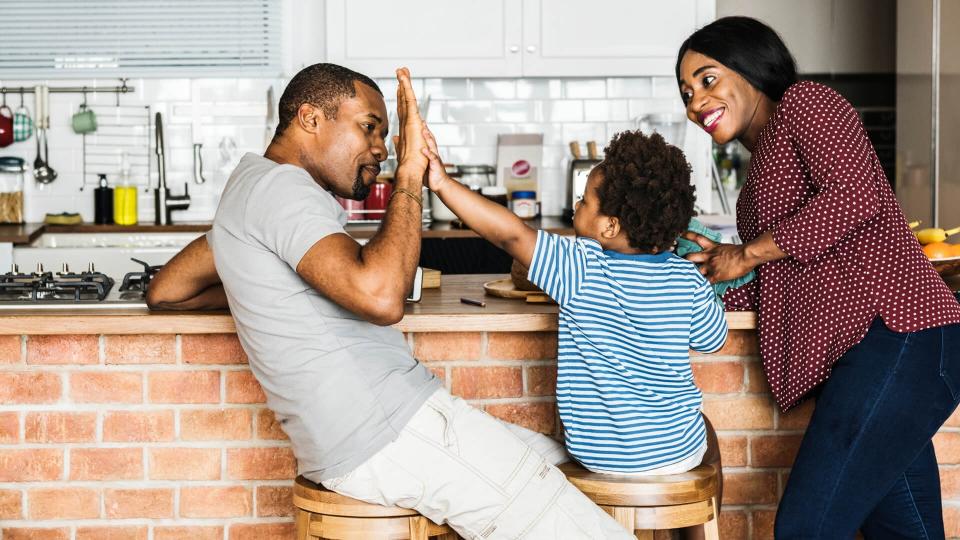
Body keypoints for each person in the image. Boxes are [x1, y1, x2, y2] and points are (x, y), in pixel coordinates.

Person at [146, 63, 633, 539]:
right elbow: (381, 297)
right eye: (369, 128)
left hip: (377, 430)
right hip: (390, 432)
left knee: (564, 464)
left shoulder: (251, 187)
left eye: (384, 135)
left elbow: (166, 291)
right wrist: (409, 174)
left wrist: (267, 292)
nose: (379, 147)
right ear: (310, 119)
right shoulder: (282, 190)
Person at [676, 16, 960, 539]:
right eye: (687, 92)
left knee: (806, 528)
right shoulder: (761, 170)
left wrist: (747, 254)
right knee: (905, 533)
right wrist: (704, 269)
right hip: (871, 356)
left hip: (897, 334)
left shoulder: (806, 103)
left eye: (707, 79)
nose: (695, 102)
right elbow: (785, 274)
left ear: (748, 64)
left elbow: (855, 196)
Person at [420, 127, 726, 537]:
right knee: (704, 429)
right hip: (676, 454)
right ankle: (692, 528)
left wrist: (440, 182)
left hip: (599, 455)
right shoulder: (686, 278)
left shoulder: (579, 265)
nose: (576, 203)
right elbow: (712, 338)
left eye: (584, 199)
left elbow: (510, 233)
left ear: (610, 227)